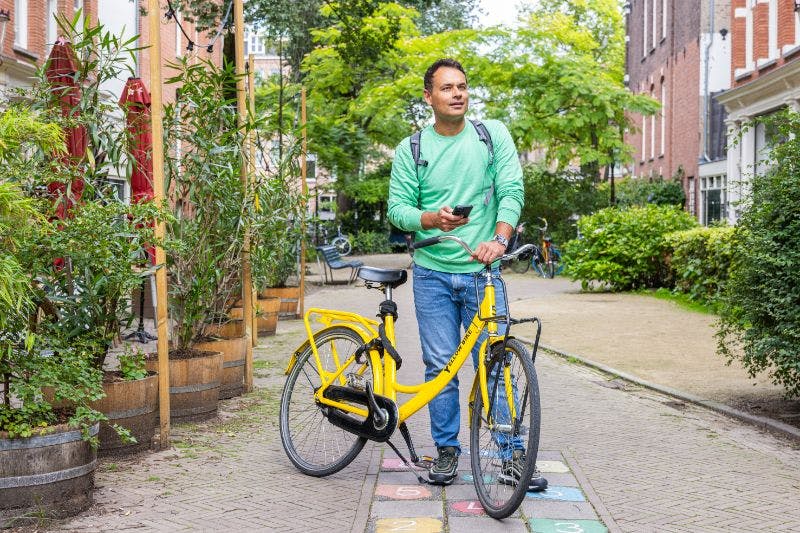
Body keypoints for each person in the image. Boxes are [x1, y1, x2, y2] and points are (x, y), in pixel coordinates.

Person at [387, 58, 548, 490]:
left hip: (484, 273)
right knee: (440, 367)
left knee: (493, 364)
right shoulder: (412, 149)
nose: (457, 93)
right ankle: (446, 452)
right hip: (432, 274)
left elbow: (512, 189)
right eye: (447, 88)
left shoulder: (491, 136)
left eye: (462, 86)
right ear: (429, 97)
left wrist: (500, 238)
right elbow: (397, 209)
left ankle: (511, 456)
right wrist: (429, 219)